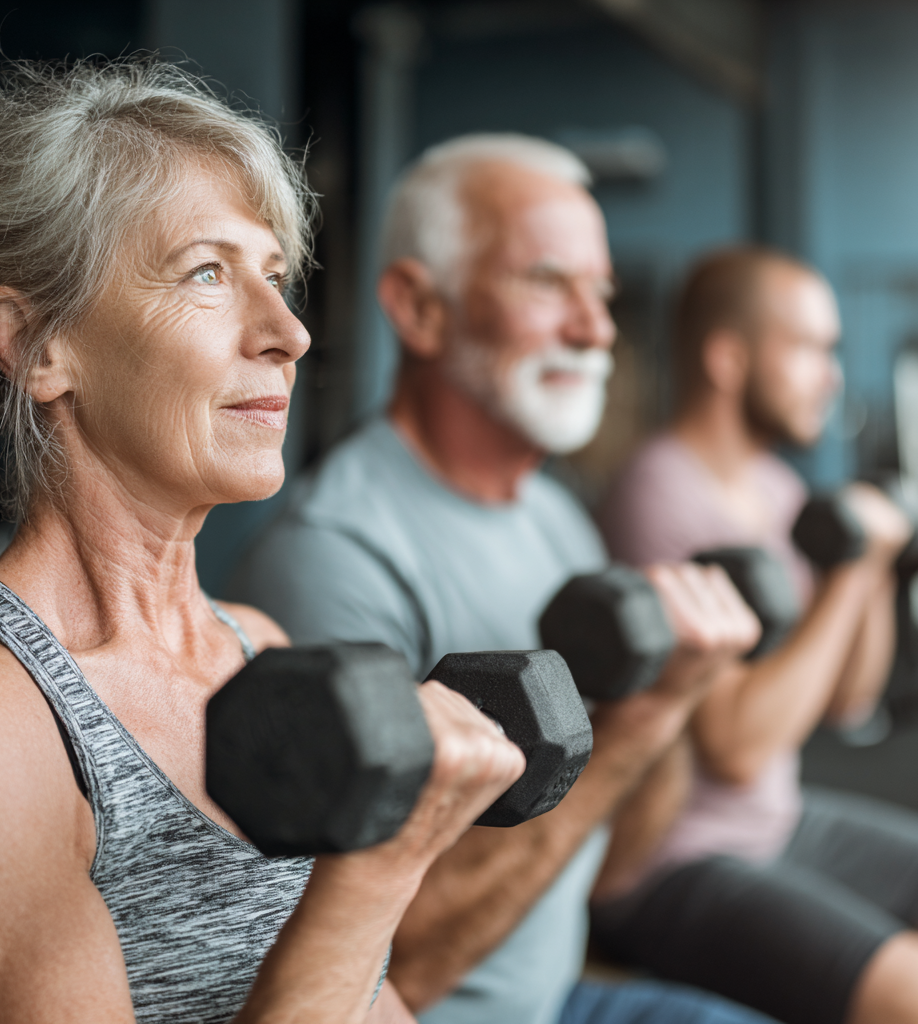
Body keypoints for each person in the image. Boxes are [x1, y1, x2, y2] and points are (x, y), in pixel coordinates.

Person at [0, 61, 528, 1024]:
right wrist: (376, 872)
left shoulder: (261, 652)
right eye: (206, 273)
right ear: (36, 344)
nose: (289, 333)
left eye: (275, 278)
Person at [233, 134, 774, 1024]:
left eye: (599, 293)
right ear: (418, 307)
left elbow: (623, 862)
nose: (595, 329)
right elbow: (390, 964)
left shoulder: (558, 518)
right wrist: (630, 728)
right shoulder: (334, 558)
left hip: (559, 996)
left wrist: (673, 702)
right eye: (548, 282)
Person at [592, 245, 918, 1024]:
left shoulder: (778, 489)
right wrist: (845, 576)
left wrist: (869, 567)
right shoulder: (658, 492)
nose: (832, 375)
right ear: (729, 358)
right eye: (809, 349)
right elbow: (734, 745)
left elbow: (848, 697)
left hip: (779, 821)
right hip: (674, 858)